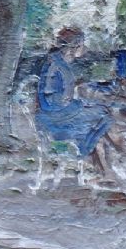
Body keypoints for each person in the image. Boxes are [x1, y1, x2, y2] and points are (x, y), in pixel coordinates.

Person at [35, 27, 112, 158]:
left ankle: (81, 148)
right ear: (74, 46)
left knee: (96, 110)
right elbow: (59, 100)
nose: (84, 48)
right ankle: (81, 151)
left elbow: (59, 87)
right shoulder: (60, 65)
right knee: (105, 115)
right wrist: (81, 103)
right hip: (55, 116)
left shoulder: (55, 60)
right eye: (81, 45)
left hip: (49, 113)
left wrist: (78, 86)